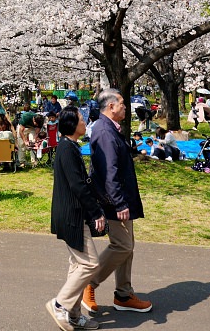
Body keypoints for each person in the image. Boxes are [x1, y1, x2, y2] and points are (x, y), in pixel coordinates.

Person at [83, 89, 152, 314]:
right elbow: (108, 171)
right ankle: (88, 284)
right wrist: (119, 203)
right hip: (113, 200)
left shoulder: (110, 129)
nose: (125, 106)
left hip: (121, 197)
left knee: (127, 248)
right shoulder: (104, 131)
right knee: (122, 245)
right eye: (122, 103)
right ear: (111, 106)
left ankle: (123, 294)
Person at [48, 106, 106, 331]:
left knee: (77, 265)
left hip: (72, 213)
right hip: (71, 213)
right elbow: (77, 185)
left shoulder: (69, 146)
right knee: (90, 263)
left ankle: (73, 315)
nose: (85, 123)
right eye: (82, 120)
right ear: (73, 125)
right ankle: (60, 304)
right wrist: (96, 212)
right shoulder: (67, 149)